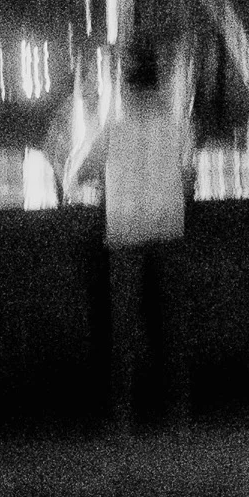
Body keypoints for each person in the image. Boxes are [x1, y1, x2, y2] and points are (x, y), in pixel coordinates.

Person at [101, 33, 190, 431]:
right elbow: (189, 180)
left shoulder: (111, 129)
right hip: (168, 224)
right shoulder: (177, 127)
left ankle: (123, 414)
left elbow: (77, 171)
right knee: (172, 322)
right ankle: (178, 411)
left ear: (124, 86)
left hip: (124, 229)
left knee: (123, 325)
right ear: (158, 84)